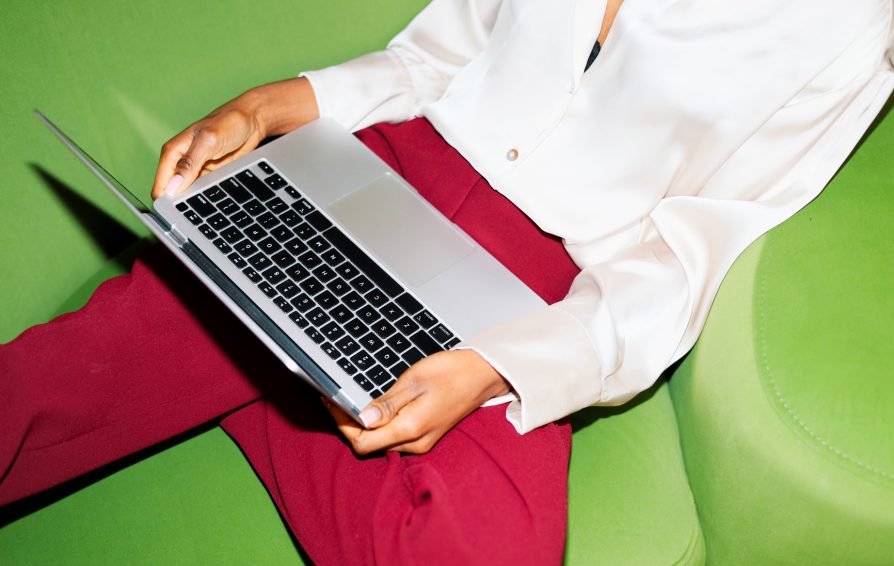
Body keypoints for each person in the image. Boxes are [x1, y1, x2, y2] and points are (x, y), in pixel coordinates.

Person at [3, 0, 892, 564]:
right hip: (377, 169)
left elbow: (691, 256)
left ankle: (266, 357)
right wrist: (276, 106)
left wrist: (499, 367)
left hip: (536, 291)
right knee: (49, 386)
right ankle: (280, 338)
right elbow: (443, 54)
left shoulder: (854, 24)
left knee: (487, 550)